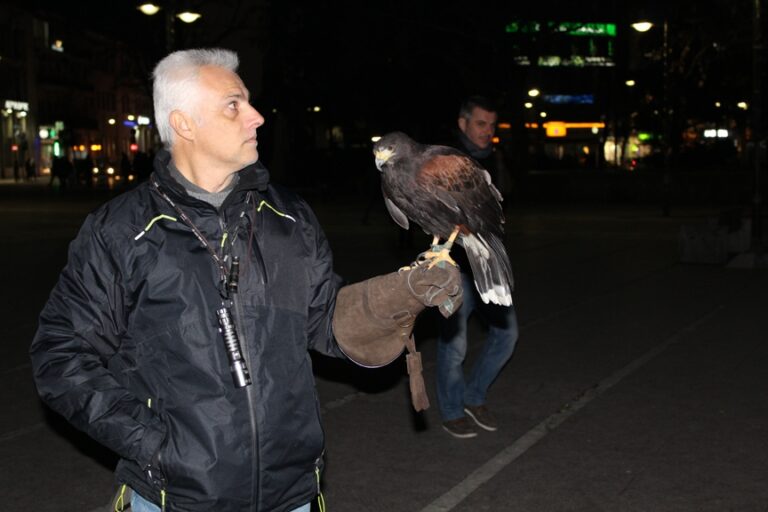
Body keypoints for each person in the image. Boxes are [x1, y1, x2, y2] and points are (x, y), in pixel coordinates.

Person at [29, 49, 461, 512]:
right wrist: (156, 445)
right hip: (176, 498)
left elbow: (326, 324)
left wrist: (394, 298)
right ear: (184, 124)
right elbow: (60, 354)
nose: (256, 116)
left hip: (291, 494)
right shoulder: (121, 230)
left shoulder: (289, 216)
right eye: (234, 105)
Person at [436, 95, 519, 439]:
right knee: (455, 345)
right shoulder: (443, 159)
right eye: (481, 124)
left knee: (507, 334)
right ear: (463, 123)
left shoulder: (493, 159)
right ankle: (453, 410)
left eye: (492, 125)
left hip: (487, 265)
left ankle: (474, 395)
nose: (488, 131)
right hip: (456, 266)